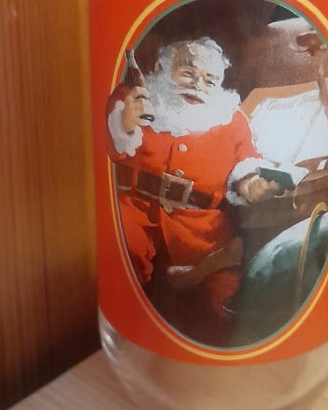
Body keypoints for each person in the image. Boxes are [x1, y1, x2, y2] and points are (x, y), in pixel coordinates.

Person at [106, 37, 281, 345]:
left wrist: (252, 184)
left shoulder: (231, 120)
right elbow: (110, 145)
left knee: (221, 302)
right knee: (123, 255)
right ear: (160, 68)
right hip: (135, 210)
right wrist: (124, 121)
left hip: (203, 233)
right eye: (188, 73)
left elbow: (246, 164)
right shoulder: (135, 99)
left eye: (209, 80)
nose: (198, 85)